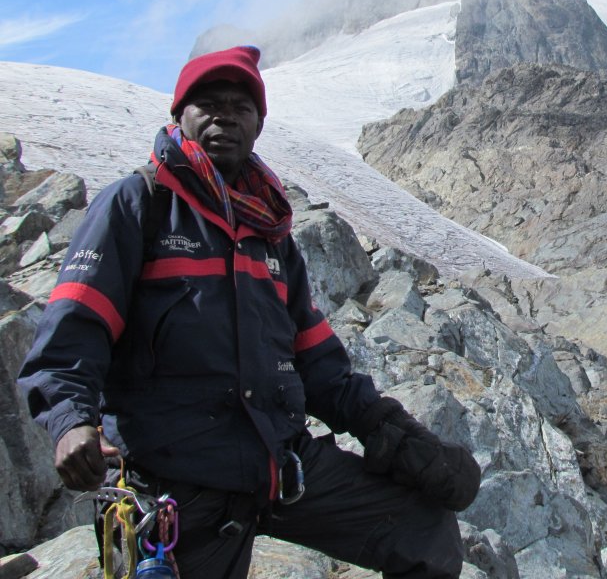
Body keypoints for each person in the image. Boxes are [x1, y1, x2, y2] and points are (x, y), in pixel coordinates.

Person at [18, 46, 479, 578]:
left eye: (241, 106)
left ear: (258, 124)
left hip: (279, 465)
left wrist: (395, 433)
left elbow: (320, 365)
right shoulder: (138, 205)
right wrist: (71, 421)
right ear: (178, 116)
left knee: (423, 530)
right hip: (176, 485)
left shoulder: (270, 234)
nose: (225, 116)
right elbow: (75, 327)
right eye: (207, 103)